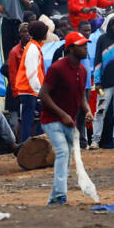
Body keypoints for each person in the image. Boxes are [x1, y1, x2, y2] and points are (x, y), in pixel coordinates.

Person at [38, 32, 93, 204]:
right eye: (81, 45)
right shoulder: (57, 68)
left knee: (67, 156)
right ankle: (61, 195)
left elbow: (82, 96)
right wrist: (62, 114)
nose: (85, 48)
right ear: (70, 49)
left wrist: (88, 111)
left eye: (85, 45)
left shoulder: (82, 70)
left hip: (69, 120)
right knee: (63, 152)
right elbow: (43, 95)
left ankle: (54, 198)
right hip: (52, 119)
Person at [91, 16, 114, 149]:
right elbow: (98, 60)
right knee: (100, 111)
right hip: (104, 84)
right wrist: (97, 81)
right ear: (109, 26)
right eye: (113, 25)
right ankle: (95, 140)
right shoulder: (102, 39)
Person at [14, 21, 48, 142]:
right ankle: (26, 145)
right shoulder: (33, 49)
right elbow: (32, 73)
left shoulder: (33, 47)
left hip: (29, 90)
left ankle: (34, 142)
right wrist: (40, 92)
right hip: (29, 90)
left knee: (30, 119)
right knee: (29, 120)